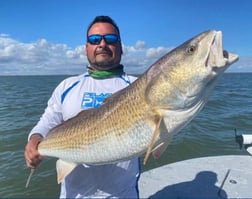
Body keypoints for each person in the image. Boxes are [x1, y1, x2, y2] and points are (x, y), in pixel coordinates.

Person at [24, 15, 140, 198]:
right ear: (87, 48)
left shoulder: (137, 87)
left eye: (110, 39)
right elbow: (47, 122)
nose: (102, 44)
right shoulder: (67, 86)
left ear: (120, 46)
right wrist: (35, 139)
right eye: (94, 40)